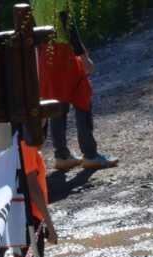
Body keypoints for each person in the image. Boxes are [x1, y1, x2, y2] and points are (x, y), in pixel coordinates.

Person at [32, 0, 118, 171]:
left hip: (45, 53)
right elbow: (67, 25)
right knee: (82, 96)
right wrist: (84, 57)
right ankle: (90, 155)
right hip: (63, 52)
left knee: (57, 103)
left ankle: (62, 156)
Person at [14, 138, 58, 257]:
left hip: (24, 217)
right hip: (29, 219)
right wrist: (50, 226)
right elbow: (33, 187)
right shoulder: (26, 145)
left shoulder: (21, 143)